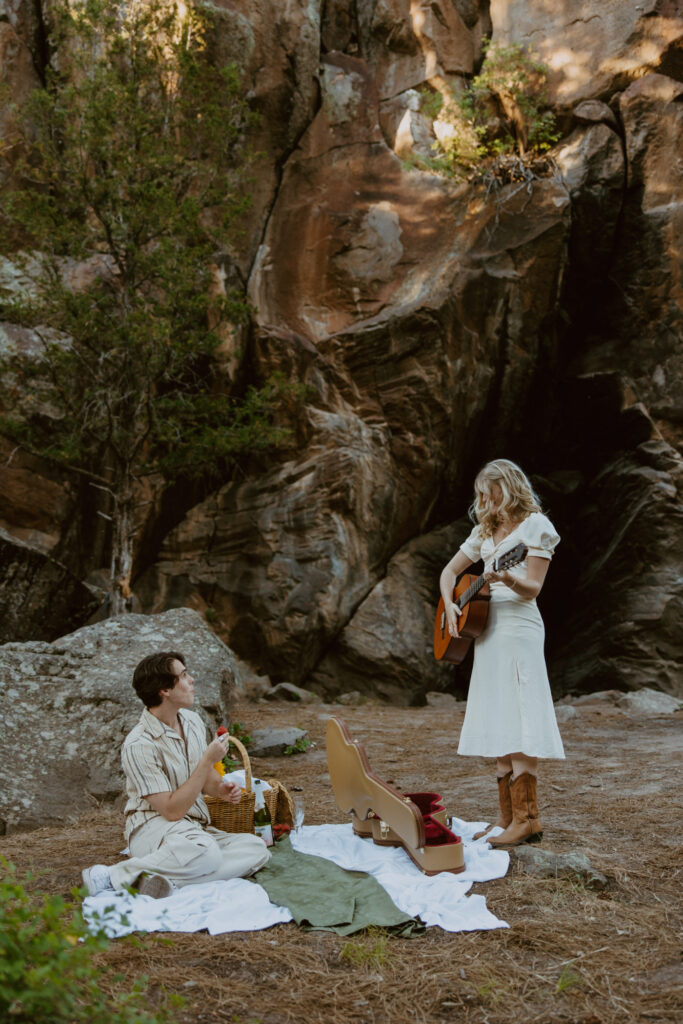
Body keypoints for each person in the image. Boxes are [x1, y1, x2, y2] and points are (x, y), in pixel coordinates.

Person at [439, 459, 565, 846]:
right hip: (488, 628)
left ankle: (528, 819)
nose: (481, 501)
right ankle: (508, 818)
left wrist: (506, 575)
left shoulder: (536, 527)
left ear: (506, 489)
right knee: (498, 713)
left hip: (519, 626)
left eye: (486, 493)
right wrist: (450, 605)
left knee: (519, 711)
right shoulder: (485, 530)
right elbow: (448, 573)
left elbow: (533, 588)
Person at [82, 651, 270, 898]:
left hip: (193, 829)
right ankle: (110, 876)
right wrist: (207, 761)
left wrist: (221, 788)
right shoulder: (139, 744)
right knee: (206, 853)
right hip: (153, 827)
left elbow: (206, 780)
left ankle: (165, 882)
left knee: (256, 849)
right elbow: (171, 811)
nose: (191, 680)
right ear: (165, 691)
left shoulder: (192, 721)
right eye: (183, 675)